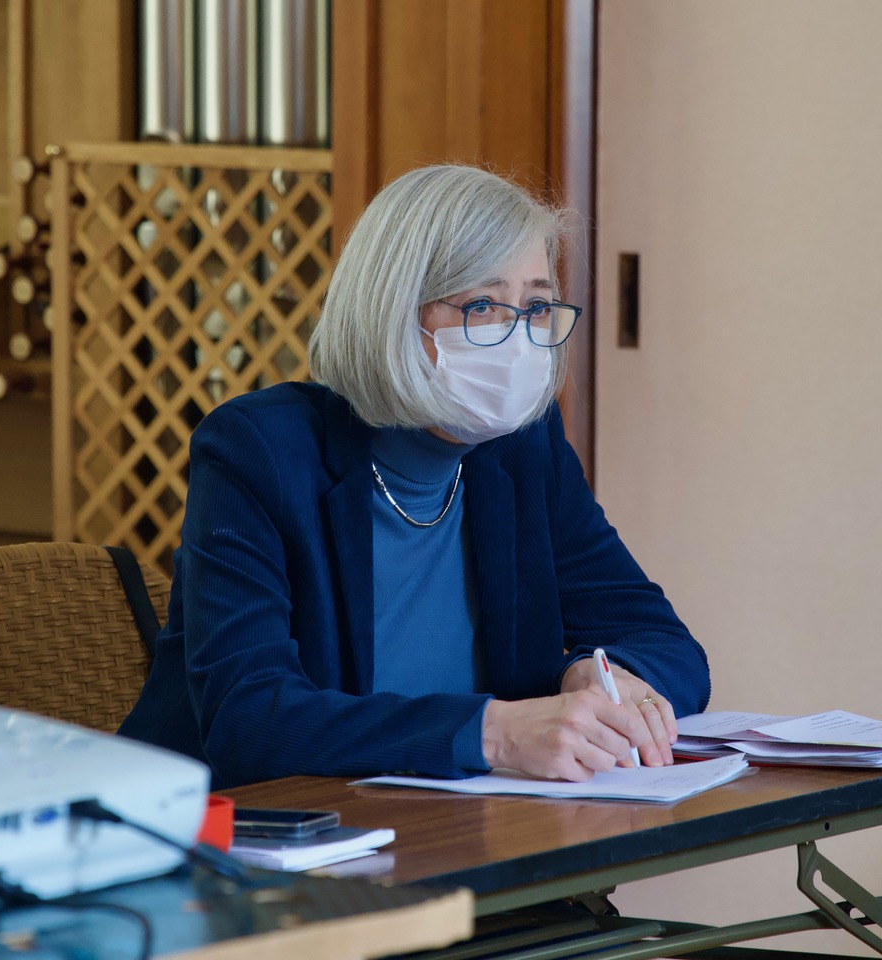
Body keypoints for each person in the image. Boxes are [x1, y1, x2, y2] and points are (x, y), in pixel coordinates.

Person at [119, 164, 710, 789]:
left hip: (462, 825)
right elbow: (249, 719)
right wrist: (493, 732)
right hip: (235, 827)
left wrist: (592, 672)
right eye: (481, 305)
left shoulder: (523, 449)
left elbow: (667, 646)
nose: (517, 337)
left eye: (536, 306)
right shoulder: (258, 448)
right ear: (394, 312)